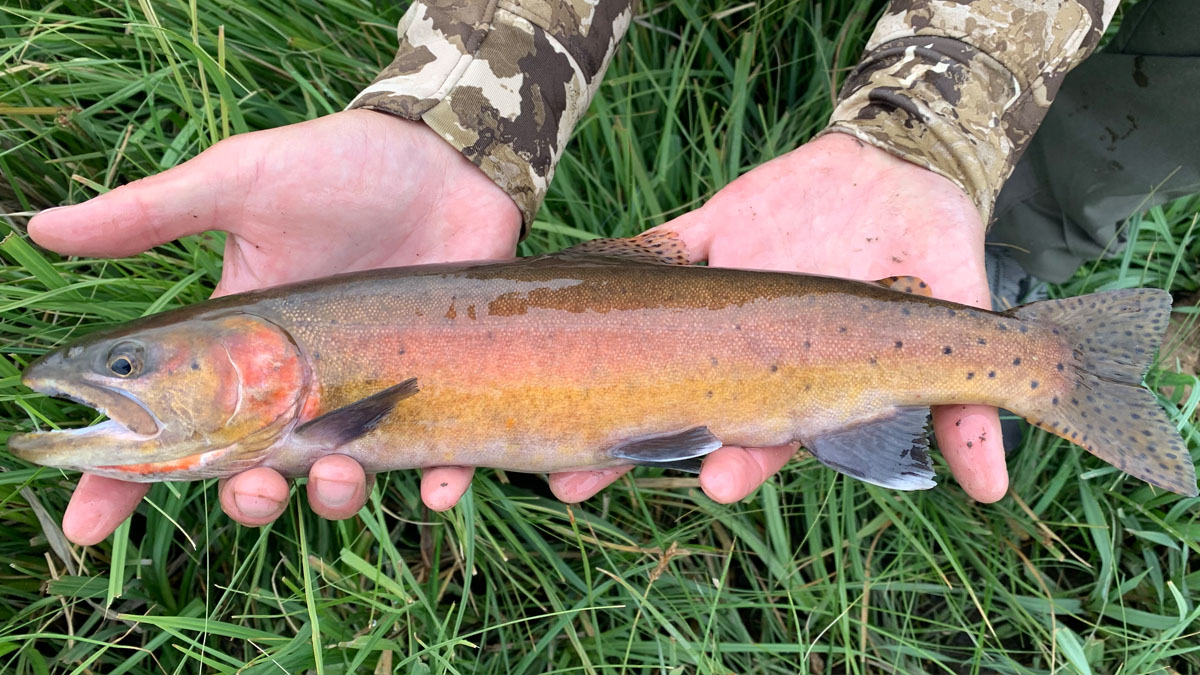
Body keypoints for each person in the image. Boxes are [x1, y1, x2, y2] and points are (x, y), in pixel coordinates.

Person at [27, 0, 1172, 546]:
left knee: (1140, 107)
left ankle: (1008, 291)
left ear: (252, 362)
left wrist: (926, 133)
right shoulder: (309, 381)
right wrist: (454, 114)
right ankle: (975, 336)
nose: (114, 376)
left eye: (130, 363)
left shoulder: (318, 398)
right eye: (123, 364)